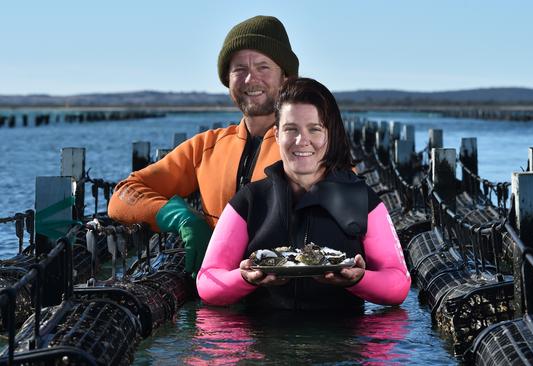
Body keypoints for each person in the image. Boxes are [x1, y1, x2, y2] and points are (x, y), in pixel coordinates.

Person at [107, 15, 299, 277]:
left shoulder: (309, 147)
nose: (250, 79)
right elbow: (123, 196)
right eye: (239, 69)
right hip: (218, 300)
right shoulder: (206, 148)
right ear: (228, 81)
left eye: (263, 67)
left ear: (286, 78)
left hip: (293, 306)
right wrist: (180, 217)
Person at [196, 78, 410, 310]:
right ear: (276, 134)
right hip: (262, 340)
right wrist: (244, 277)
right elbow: (207, 281)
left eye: (314, 129)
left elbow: (398, 284)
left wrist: (359, 279)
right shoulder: (249, 200)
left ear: (330, 134)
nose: (301, 141)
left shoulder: (363, 200)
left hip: (343, 342)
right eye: (291, 129)